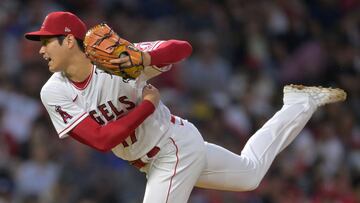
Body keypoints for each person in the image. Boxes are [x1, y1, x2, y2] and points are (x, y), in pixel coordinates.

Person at [24, 11, 346, 203]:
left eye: (46, 42)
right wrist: (148, 105)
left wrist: (145, 58)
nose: (40, 50)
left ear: (69, 41)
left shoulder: (122, 60)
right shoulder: (53, 92)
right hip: (155, 155)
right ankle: (299, 103)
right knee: (249, 175)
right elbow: (101, 140)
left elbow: (182, 49)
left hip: (171, 148)